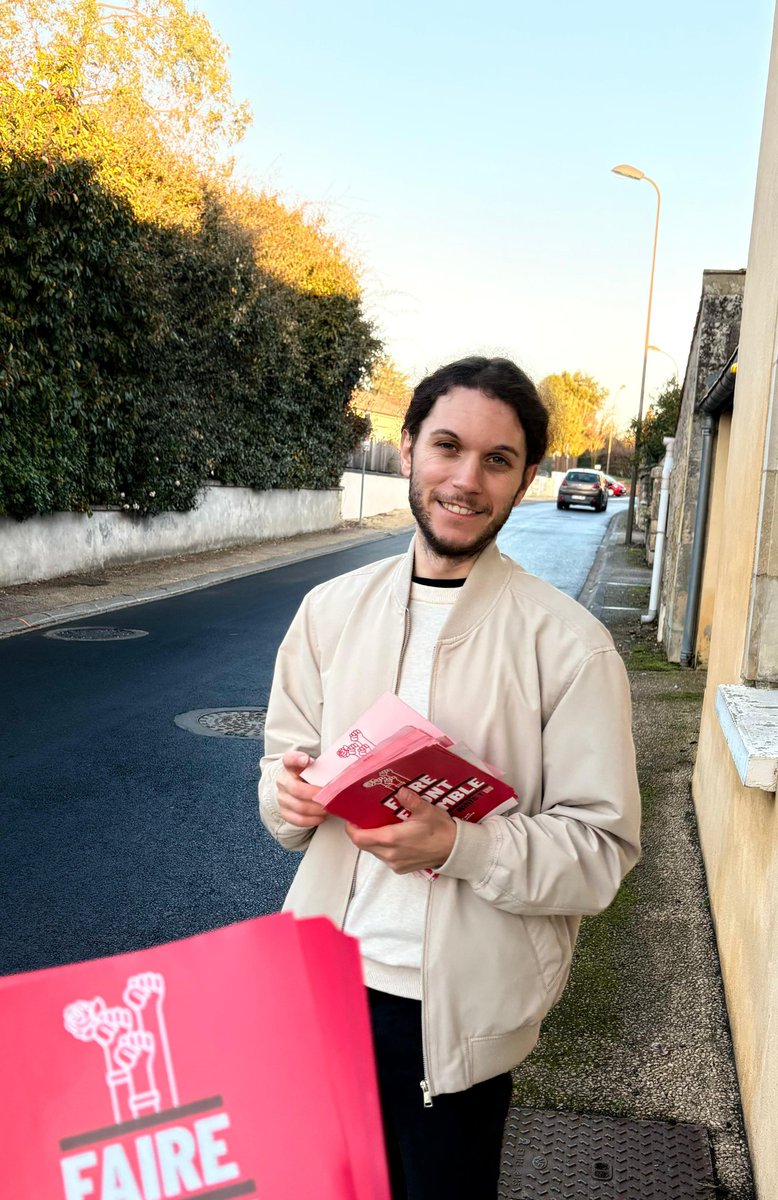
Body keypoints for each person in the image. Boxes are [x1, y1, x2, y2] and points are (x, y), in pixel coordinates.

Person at [259, 356, 641, 1200]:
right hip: (320, 991)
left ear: (526, 476)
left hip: (456, 1024)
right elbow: (281, 771)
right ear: (406, 451)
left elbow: (600, 853)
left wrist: (461, 845)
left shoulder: (570, 648)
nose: (466, 480)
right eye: (447, 447)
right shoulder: (327, 612)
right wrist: (285, 793)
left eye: (497, 460)